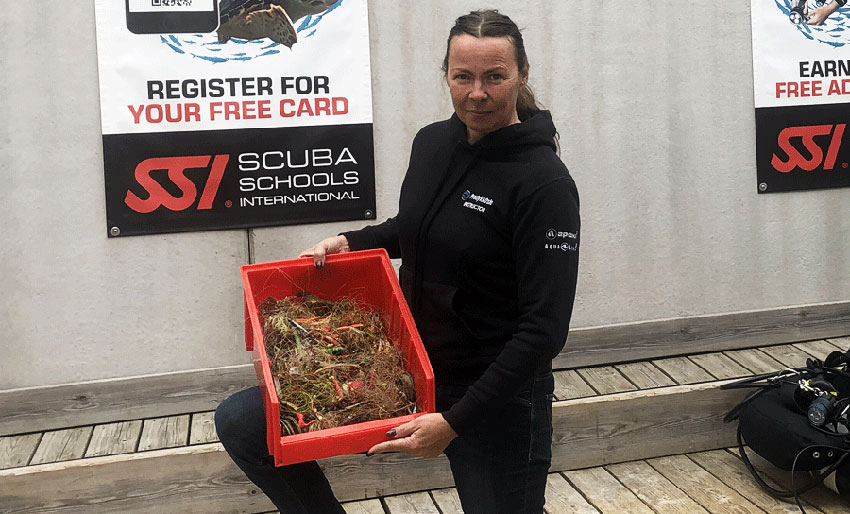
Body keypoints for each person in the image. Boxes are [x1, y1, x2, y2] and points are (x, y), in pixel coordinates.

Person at [215, 9, 580, 514]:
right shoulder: (432, 143)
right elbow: (419, 228)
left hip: (494, 394)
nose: (477, 93)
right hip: (409, 368)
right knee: (242, 421)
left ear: (522, 75)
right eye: (463, 76)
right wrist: (353, 240)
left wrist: (454, 422)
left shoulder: (545, 184)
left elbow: (544, 331)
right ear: (446, 75)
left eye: (495, 76)